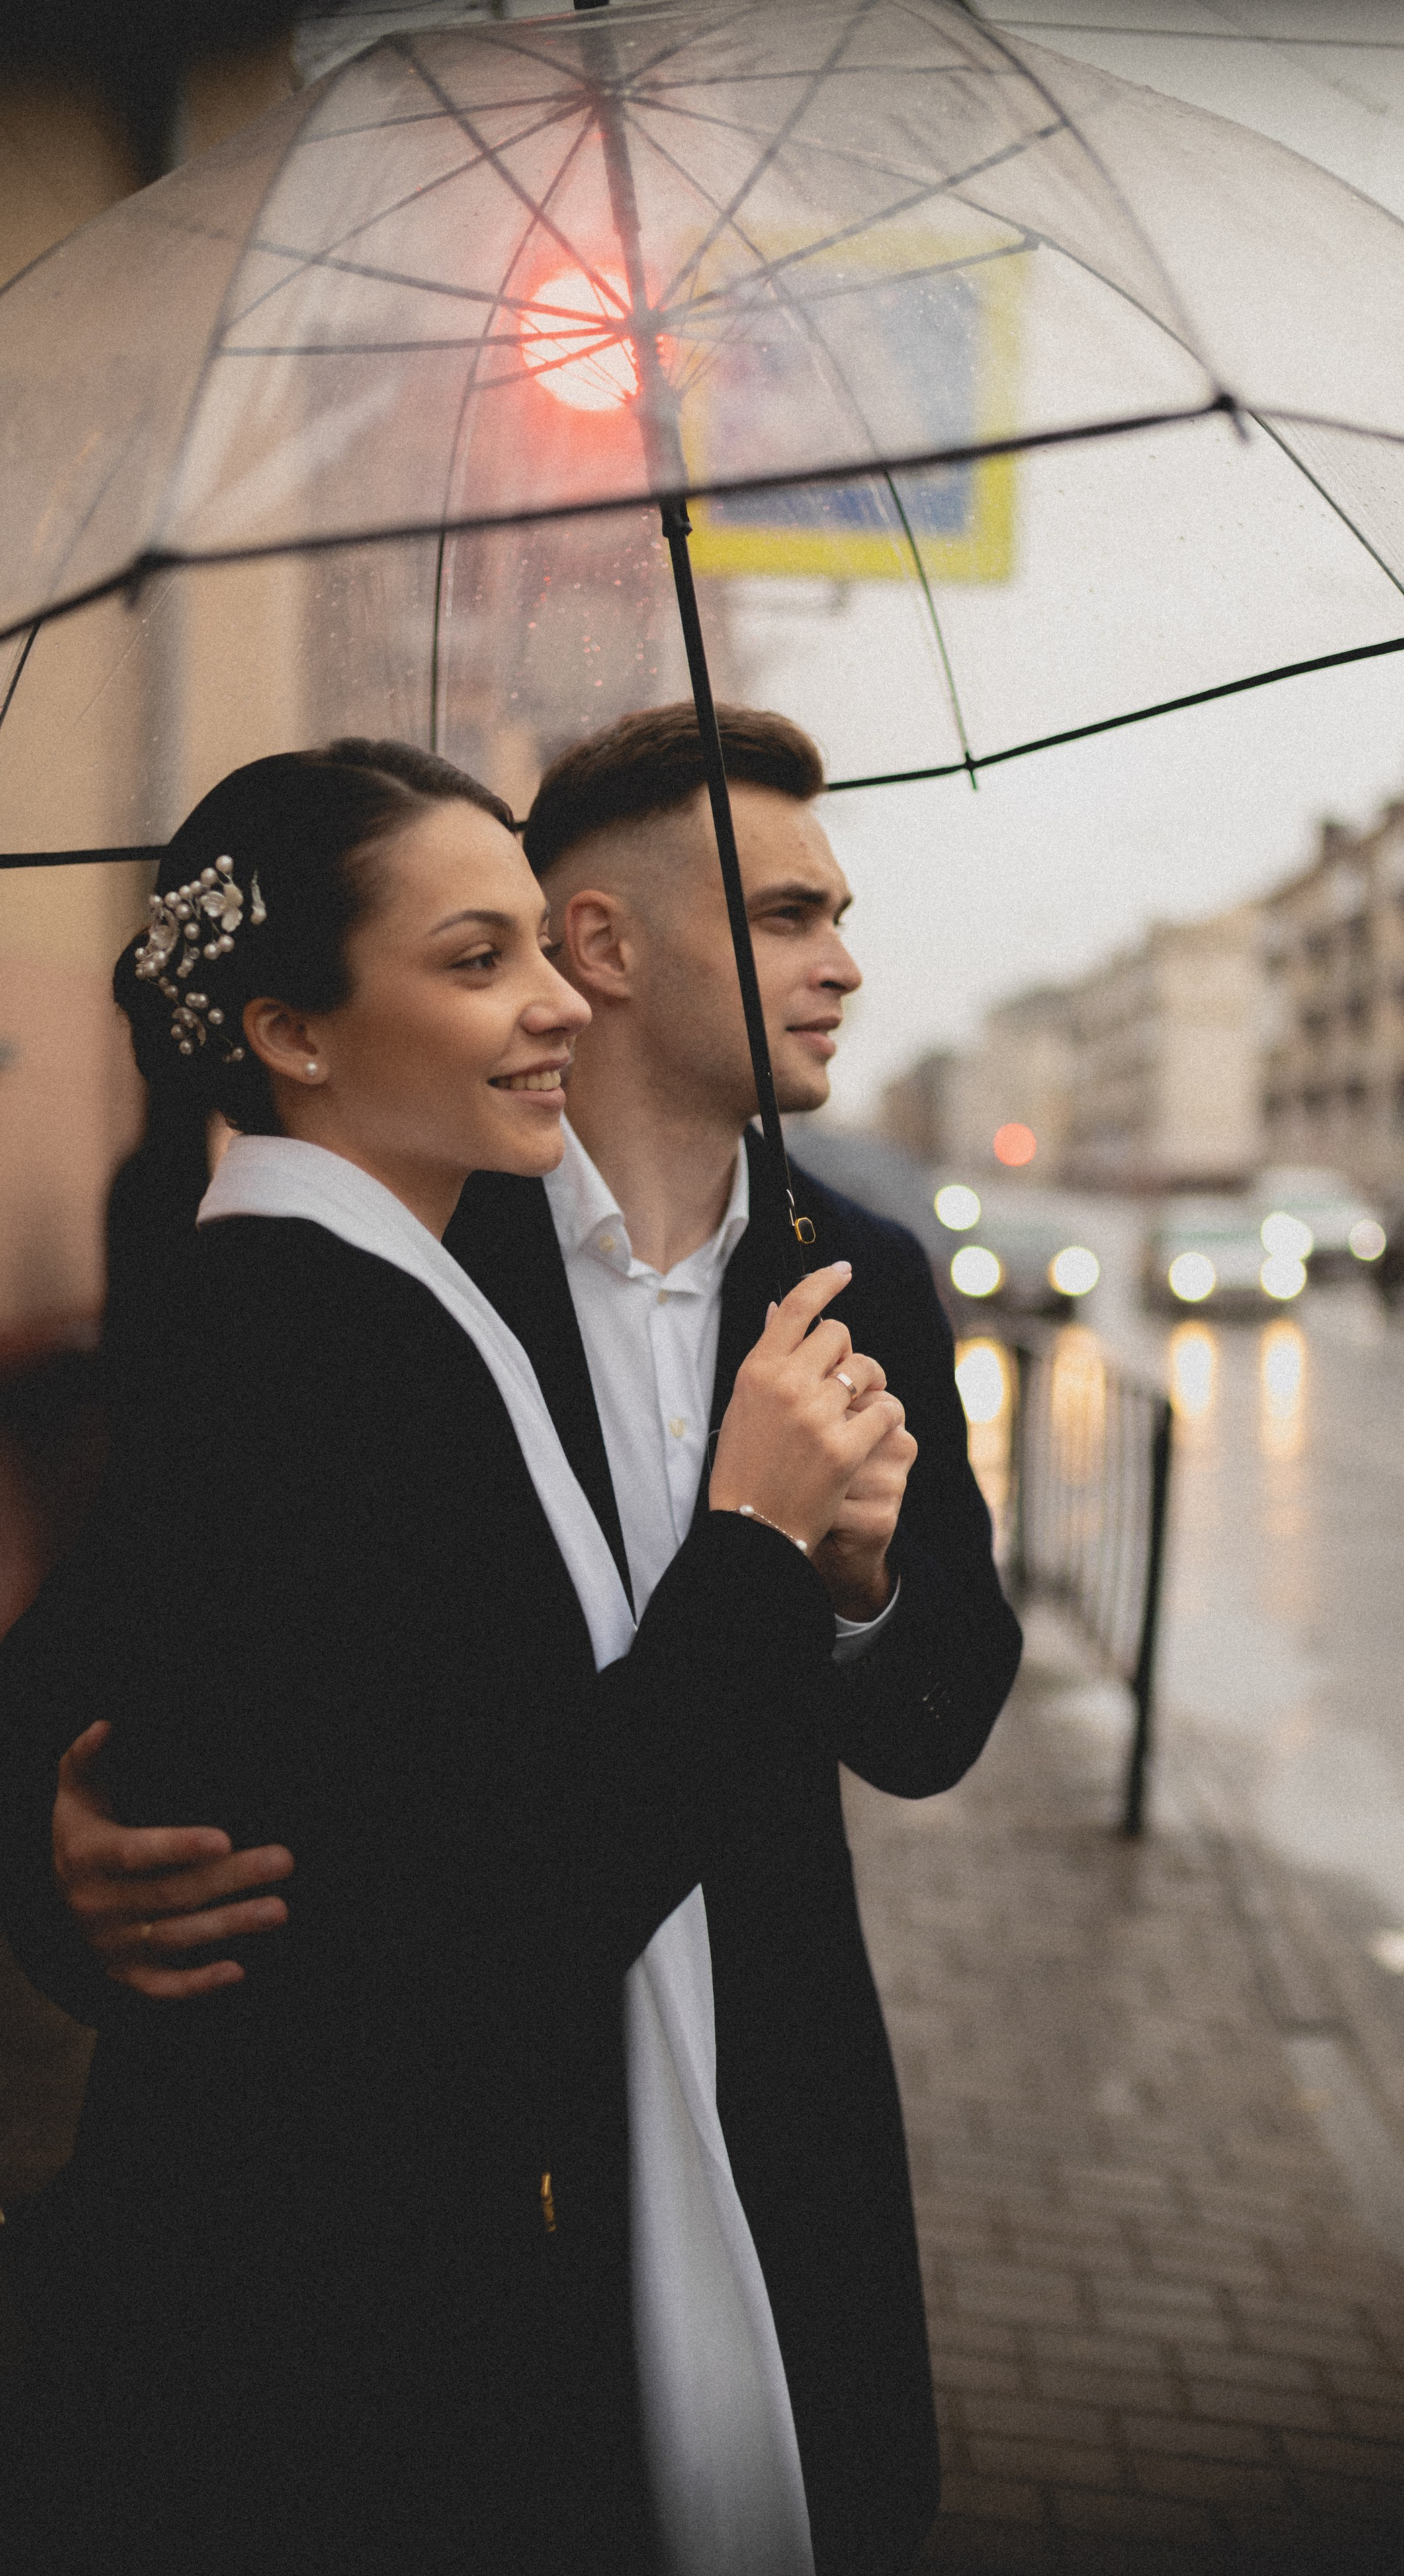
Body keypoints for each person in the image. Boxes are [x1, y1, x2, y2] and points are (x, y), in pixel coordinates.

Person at [11, 705, 1024, 2576]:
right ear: (612, 943)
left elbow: (944, 1707)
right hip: (440, 2144)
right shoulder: (400, 1238)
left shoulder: (857, 1277)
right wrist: (63, 1864)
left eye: (843, 910)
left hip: (759, 2073)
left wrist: (869, 1581)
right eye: (791, 910)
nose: (846, 961)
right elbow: (96, 1665)